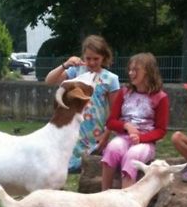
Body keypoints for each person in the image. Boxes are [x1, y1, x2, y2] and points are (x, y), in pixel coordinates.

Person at [45, 35, 120, 172]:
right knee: (60, 169)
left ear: (103, 57)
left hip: (96, 135)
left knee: (91, 172)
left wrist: (106, 136)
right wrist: (65, 65)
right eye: (88, 58)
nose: (91, 62)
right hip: (74, 131)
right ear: (83, 56)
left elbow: (115, 111)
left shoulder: (111, 79)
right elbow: (49, 80)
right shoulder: (76, 71)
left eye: (96, 59)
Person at [101, 52, 169, 190]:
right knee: (112, 148)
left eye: (136, 70)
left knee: (132, 156)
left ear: (149, 72)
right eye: (130, 70)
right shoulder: (124, 93)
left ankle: (127, 197)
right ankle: (103, 193)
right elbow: (111, 121)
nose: (131, 73)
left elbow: (161, 130)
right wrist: (125, 125)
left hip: (145, 142)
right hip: (124, 136)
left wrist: (141, 137)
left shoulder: (160, 97)